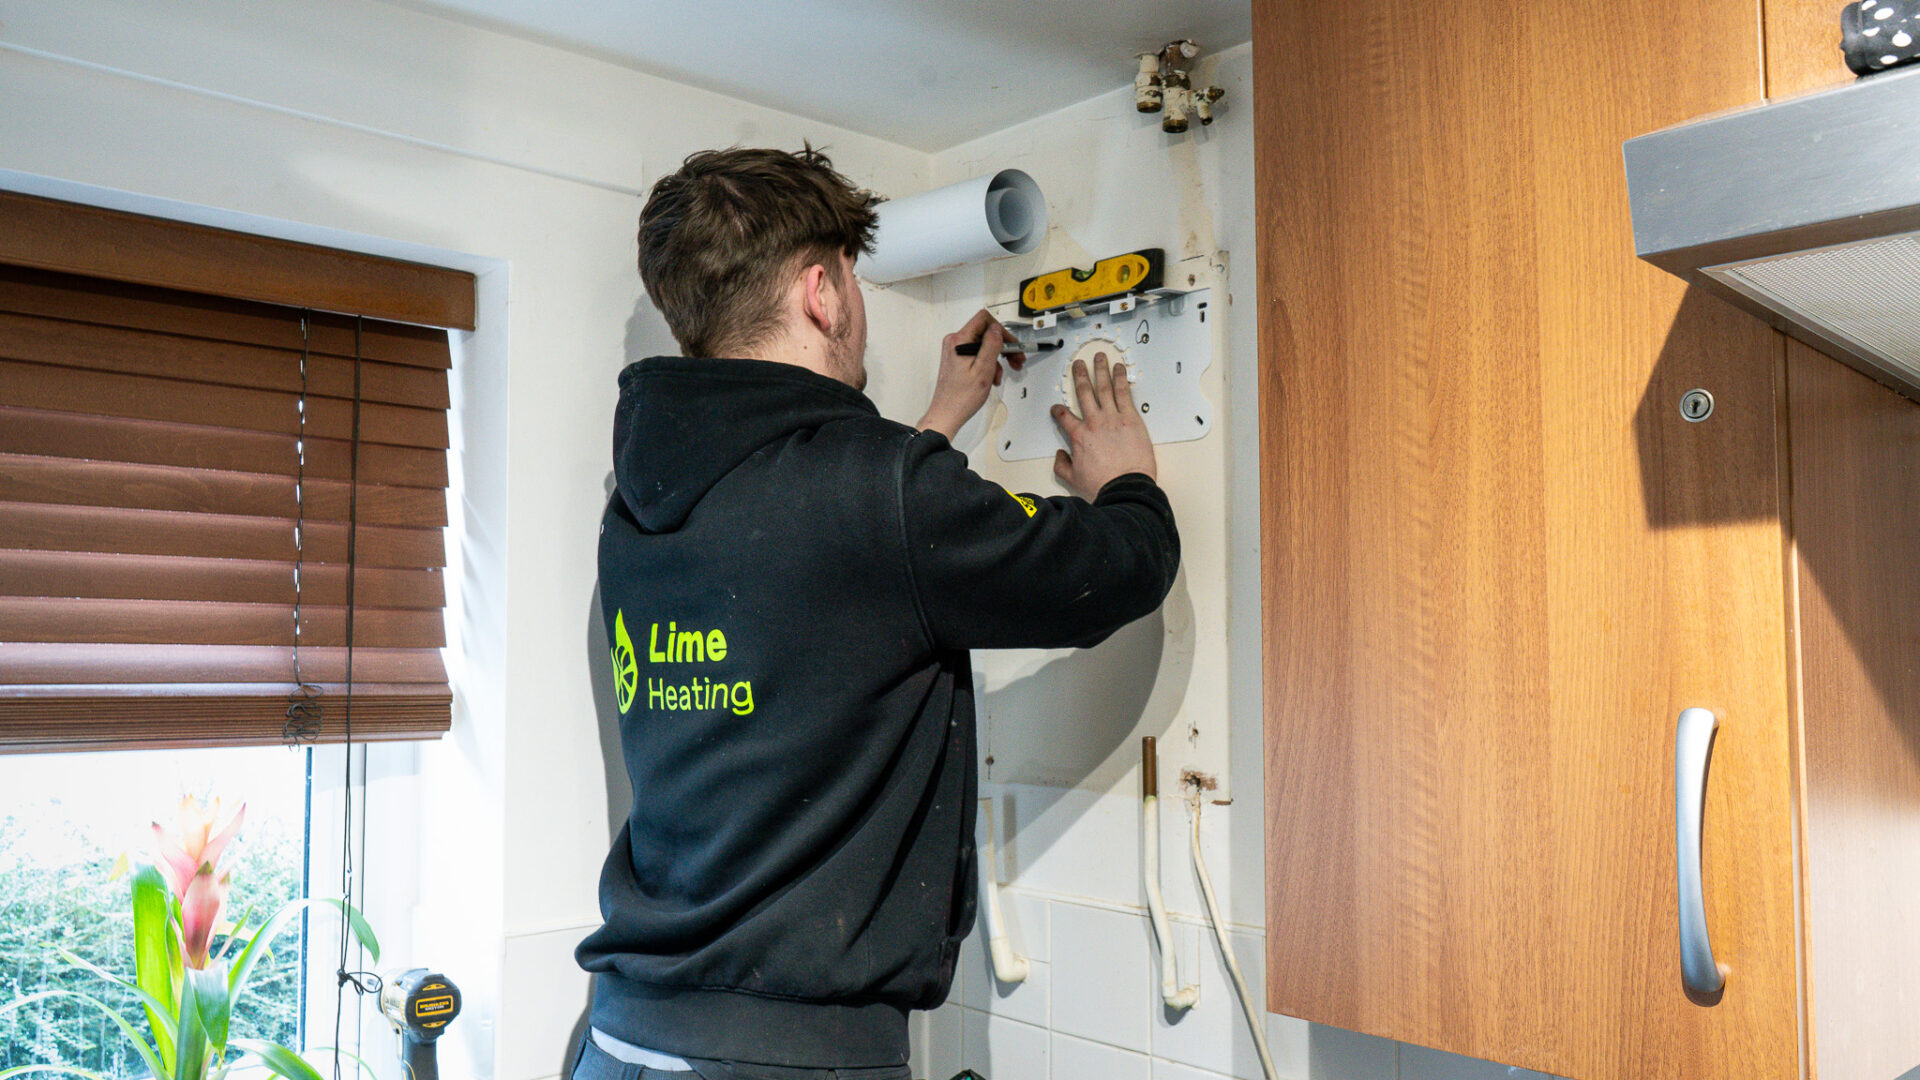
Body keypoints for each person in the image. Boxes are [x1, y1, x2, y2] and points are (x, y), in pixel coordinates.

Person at [573, 145, 1180, 1080]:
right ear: (824, 292)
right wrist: (1129, 480)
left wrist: (930, 430)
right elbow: (1116, 571)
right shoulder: (876, 494)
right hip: (784, 1060)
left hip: (620, 1041)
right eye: (855, 279)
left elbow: (809, 583)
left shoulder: (638, 503)